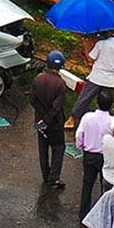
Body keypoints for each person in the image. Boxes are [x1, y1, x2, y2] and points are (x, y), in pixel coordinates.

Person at [72, 29, 114, 124]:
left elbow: (90, 59)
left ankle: (72, 120)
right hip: (109, 82)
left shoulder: (101, 44)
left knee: (84, 100)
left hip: (96, 78)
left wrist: (86, 45)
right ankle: (103, 124)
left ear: (110, 32)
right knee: (105, 105)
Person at [74, 90, 114, 220]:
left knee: (87, 184)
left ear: (97, 103)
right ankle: (104, 215)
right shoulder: (112, 122)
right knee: (106, 185)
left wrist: (81, 146)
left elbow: (79, 135)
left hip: (89, 155)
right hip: (105, 157)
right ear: (111, 105)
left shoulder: (87, 117)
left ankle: (83, 214)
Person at [31, 50, 68, 189]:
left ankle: (45, 176)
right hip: (55, 124)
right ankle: (54, 178)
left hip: (40, 122)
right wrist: (48, 119)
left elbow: (33, 100)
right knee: (59, 148)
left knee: (43, 148)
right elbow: (56, 107)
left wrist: (42, 119)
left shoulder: (38, 79)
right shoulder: (60, 84)